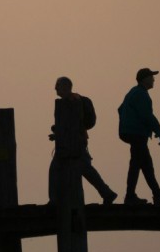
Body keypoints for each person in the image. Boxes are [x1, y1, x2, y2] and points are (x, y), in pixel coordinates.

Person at [48, 77, 117, 205]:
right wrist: (57, 135)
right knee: (85, 169)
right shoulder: (72, 101)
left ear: (66, 86)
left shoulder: (71, 102)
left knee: (56, 170)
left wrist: (59, 134)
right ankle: (107, 193)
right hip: (74, 142)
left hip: (72, 145)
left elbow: (71, 126)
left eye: (57, 85)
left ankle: (54, 200)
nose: (55, 88)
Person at [118, 68, 160, 205]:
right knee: (137, 164)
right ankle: (131, 196)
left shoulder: (133, 92)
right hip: (136, 133)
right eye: (151, 77)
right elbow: (146, 115)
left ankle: (156, 193)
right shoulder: (141, 94)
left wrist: (127, 122)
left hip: (131, 132)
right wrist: (159, 131)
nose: (154, 80)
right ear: (144, 79)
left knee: (145, 164)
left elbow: (120, 109)